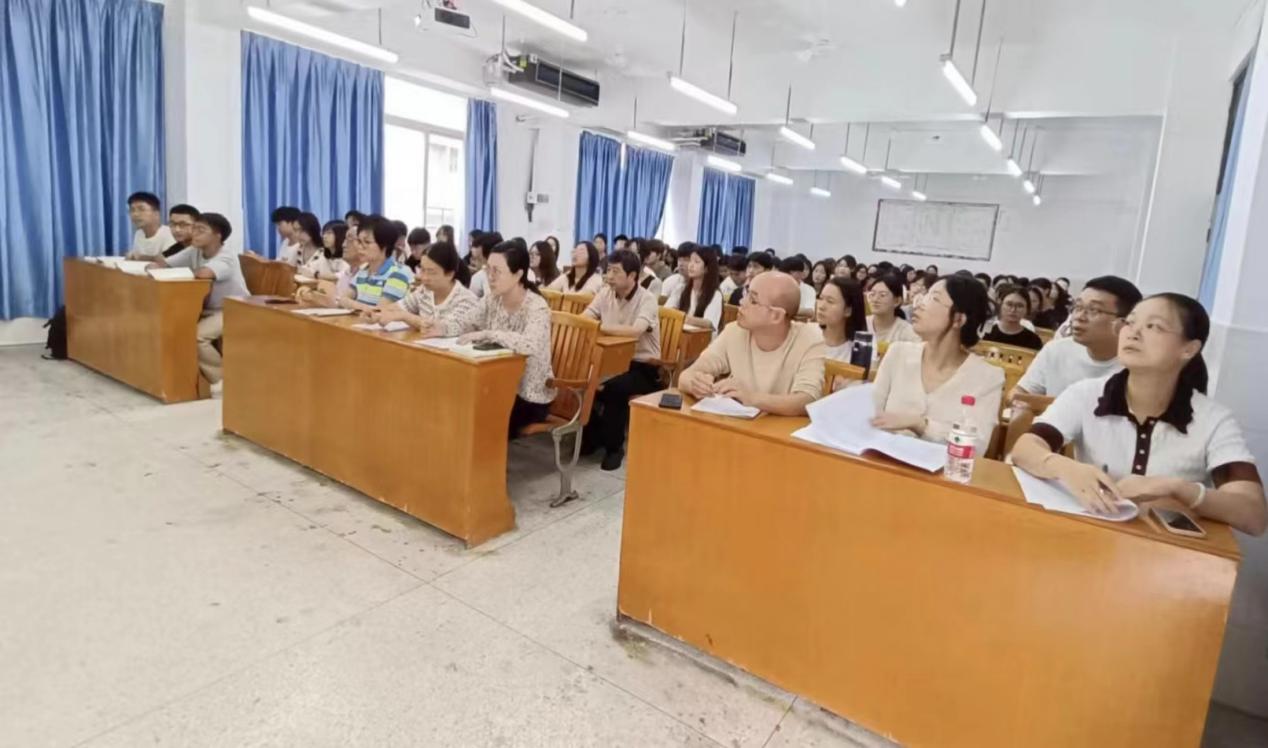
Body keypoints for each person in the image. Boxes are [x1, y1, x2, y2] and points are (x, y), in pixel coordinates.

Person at [1011, 294, 1265, 534]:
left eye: (1153, 326)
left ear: (1188, 349)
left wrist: (1177, 488)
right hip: (1091, 535)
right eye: (1130, 322)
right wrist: (1063, 467)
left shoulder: (1213, 420)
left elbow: (1254, 516)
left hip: (1166, 552)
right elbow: (1024, 448)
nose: (1133, 333)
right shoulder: (1087, 394)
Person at [426, 241, 555, 438]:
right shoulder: (492, 299)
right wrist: (442, 327)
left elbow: (530, 344)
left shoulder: (537, 306)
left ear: (518, 274)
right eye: (488, 269)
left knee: (479, 420)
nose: (490, 277)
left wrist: (488, 333)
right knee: (450, 402)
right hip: (496, 384)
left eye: (497, 271)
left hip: (528, 396)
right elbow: (466, 321)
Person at [871, 275, 1004, 448]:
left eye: (934, 299)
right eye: (925, 296)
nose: (919, 304)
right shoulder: (898, 353)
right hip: (884, 457)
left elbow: (975, 446)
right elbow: (871, 413)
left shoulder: (987, 377)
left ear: (958, 319)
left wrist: (921, 425)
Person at [678, 271, 825, 416]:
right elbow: (685, 376)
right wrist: (696, 384)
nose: (742, 302)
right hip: (739, 425)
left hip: (781, 428)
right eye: (746, 294)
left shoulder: (810, 339)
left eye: (753, 300)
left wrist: (752, 398)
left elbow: (806, 400)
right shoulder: (734, 331)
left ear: (776, 315)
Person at [145, 213, 248, 392]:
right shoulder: (195, 250)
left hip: (233, 308)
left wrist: (179, 270)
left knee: (197, 336)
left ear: (217, 236)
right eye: (194, 228)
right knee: (170, 328)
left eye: (201, 230)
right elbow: (163, 263)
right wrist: (155, 265)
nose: (194, 233)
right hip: (206, 308)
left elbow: (204, 274)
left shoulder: (226, 256)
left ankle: (223, 381)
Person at [579, 249, 663, 470]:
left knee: (615, 388)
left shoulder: (647, 299)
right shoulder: (605, 293)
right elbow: (585, 318)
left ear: (632, 276)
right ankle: (592, 436)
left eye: (616, 271)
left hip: (644, 366)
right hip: (612, 359)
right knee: (583, 380)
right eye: (608, 270)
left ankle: (614, 448)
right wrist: (593, 324)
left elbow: (635, 331)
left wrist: (600, 327)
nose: (610, 276)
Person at [1014, 276, 1142, 398]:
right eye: (1078, 307)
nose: (1079, 317)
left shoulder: (1138, 368)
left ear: (1124, 322)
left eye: (1094, 310)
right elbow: (1018, 394)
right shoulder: (1056, 350)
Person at [371, 241, 477, 332]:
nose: (424, 277)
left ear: (450, 274)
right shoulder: (424, 291)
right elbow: (396, 307)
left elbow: (441, 328)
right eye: (422, 270)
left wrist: (404, 316)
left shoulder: (466, 300)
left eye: (431, 272)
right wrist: (373, 312)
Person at [325, 217, 411, 312]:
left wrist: (351, 304)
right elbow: (342, 300)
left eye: (367, 242)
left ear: (385, 246)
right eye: (359, 241)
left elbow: (379, 312)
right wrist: (356, 305)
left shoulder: (399, 273)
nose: (360, 247)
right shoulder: (363, 271)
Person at [667, 244, 724, 332]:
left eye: (696, 262)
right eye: (690, 261)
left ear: (707, 268)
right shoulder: (682, 288)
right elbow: (667, 309)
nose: (691, 265)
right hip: (683, 333)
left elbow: (709, 322)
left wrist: (682, 317)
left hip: (702, 337)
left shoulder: (715, 294)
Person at [816, 276, 868, 361]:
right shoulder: (807, 335)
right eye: (820, 298)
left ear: (848, 310)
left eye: (830, 301)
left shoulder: (858, 351)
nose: (821, 306)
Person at [982, 285, 1045, 350]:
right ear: (1000, 305)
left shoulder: (1033, 340)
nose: (1013, 310)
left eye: (1020, 306)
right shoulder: (986, 332)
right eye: (1009, 304)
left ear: (1027, 309)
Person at [867, 274, 920, 348]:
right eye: (872, 294)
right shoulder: (861, 324)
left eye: (882, 295)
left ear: (897, 301)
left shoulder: (908, 333)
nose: (875, 299)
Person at [124, 192, 175, 260]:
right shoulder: (139, 233)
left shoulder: (170, 233)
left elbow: (168, 260)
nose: (135, 214)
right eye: (132, 210)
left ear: (156, 213)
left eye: (141, 209)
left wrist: (139, 257)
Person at [468, 231, 502, 297]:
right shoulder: (478, 278)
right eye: (473, 258)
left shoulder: (510, 275)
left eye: (478, 259)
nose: (474, 263)